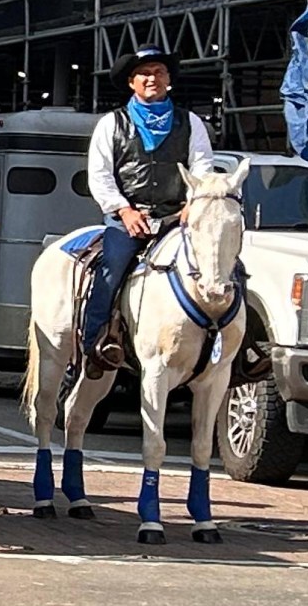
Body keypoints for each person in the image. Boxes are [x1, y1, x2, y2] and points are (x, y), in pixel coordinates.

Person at [78, 46, 216, 376]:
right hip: (127, 219)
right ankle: (92, 346)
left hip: (176, 218)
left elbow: (203, 166)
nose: (152, 78)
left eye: (159, 72)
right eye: (145, 73)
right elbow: (99, 175)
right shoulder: (111, 124)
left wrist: (193, 204)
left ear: (169, 80)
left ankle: (231, 346)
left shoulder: (191, 122)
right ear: (132, 83)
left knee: (222, 265)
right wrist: (123, 210)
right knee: (110, 272)